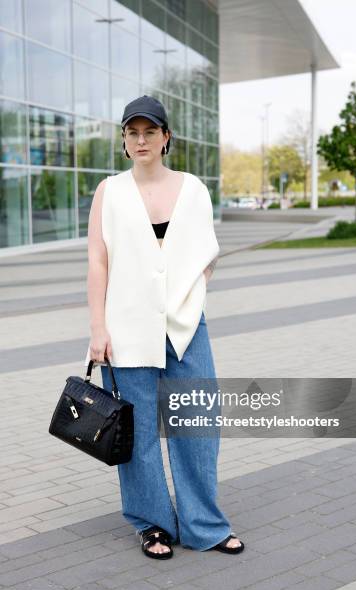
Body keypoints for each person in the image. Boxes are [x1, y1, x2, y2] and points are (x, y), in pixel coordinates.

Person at [85, 95, 244, 559]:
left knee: (196, 424)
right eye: (132, 133)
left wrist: (189, 296)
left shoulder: (192, 188)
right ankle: (152, 524)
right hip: (126, 328)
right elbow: (98, 262)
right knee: (137, 435)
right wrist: (98, 328)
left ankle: (204, 525)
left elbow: (205, 254)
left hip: (186, 327)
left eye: (149, 132)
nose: (140, 140)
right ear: (124, 140)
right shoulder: (109, 191)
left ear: (166, 137)